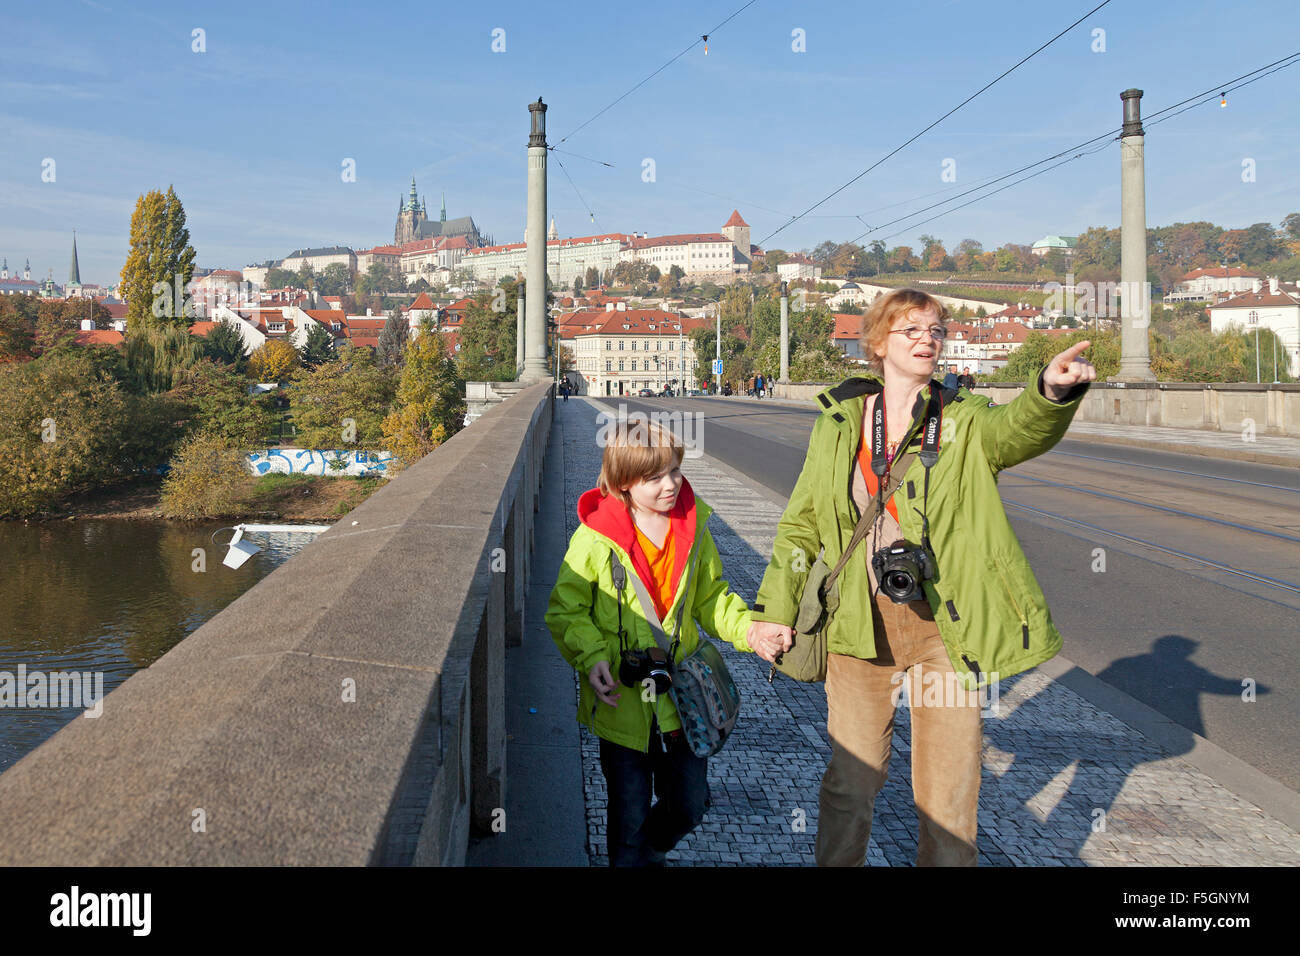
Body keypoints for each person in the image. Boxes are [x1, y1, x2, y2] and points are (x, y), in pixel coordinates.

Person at [747, 287, 1094, 867]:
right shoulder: (840, 424)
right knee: (852, 783)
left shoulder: (962, 418)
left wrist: (1051, 391)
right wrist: (773, 611)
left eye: (936, 330)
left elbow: (1016, 431)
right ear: (878, 342)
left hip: (946, 629)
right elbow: (802, 526)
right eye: (912, 330)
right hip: (860, 625)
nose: (927, 340)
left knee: (949, 790)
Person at [547, 419, 761, 866]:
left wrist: (750, 630)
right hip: (623, 706)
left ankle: (653, 852)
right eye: (655, 477)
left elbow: (712, 598)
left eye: (675, 471)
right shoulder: (594, 539)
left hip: (682, 701)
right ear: (623, 482)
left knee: (690, 804)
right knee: (627, 818)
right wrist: (592, 658)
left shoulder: (694, 527)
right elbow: (566, 611)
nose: (671, 485)